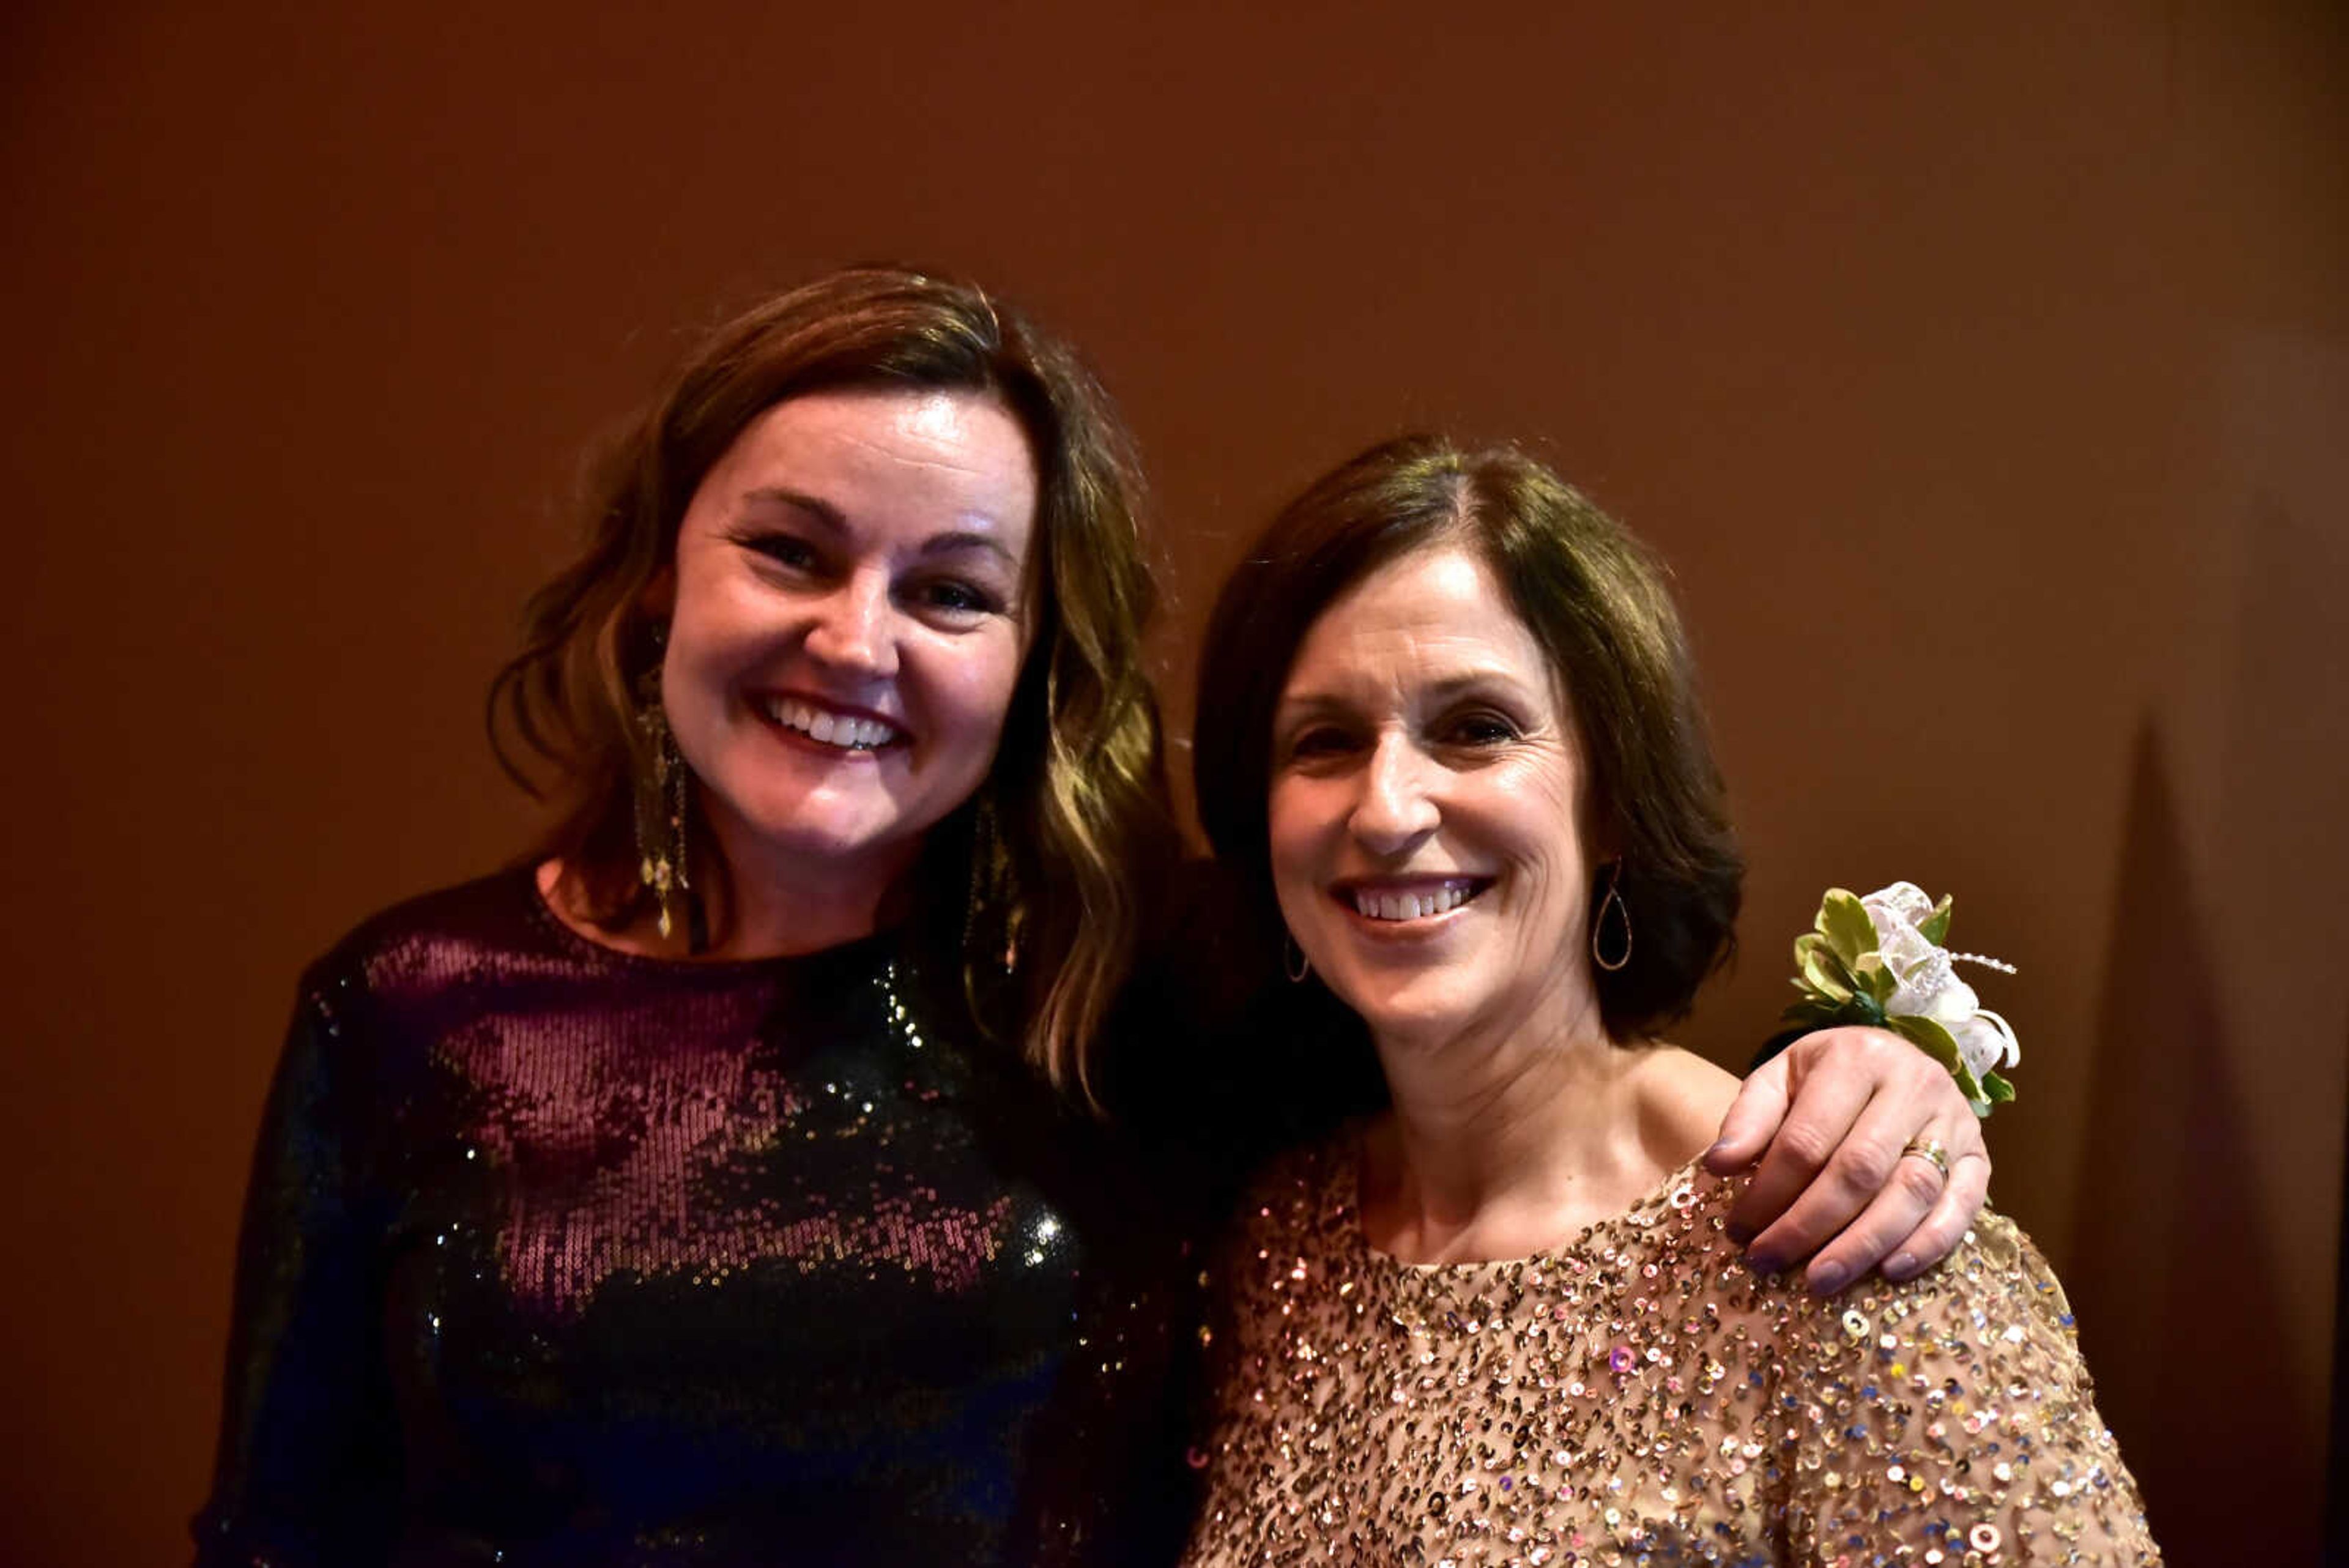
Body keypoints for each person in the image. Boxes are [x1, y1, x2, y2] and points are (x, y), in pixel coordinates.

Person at [196, 270, 1997, 1567]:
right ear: (661, 572)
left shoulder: (1155, 987)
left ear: (1033, 662)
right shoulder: (413, 1007)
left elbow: (1527, 1058)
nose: (857, 641)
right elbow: (277, 1531)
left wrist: (1876, 1061)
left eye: (952, 590)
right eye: (793, 550)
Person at [1179, 436, 2158, 1564]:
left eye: (1477, 728)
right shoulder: (1265, 1243)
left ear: (1613, 803)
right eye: (1326, 741)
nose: (1389, 807)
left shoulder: (1838, 1226)